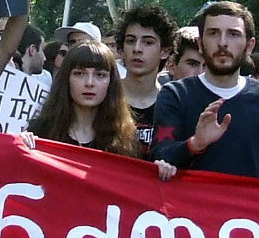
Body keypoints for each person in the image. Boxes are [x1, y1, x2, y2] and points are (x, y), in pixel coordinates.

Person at [150, 1, 259, 190]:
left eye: (233, 34)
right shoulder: (175, 94)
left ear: (249, 46)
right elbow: (158, 158)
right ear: (201, 43)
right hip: (185, 215)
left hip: (243, 216)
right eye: (213, 33)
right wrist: (194, 144)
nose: (222, 42)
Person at [23, 41, 176, 180]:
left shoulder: (125, 139)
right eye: (80, 73)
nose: (89, 83)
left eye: (100, 75)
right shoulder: (40, 131)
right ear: (66, 79)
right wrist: (19, 147)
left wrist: (160, 172)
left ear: (111, 82)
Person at [116, 5, 178, 160]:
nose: (137, 49)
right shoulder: (104, 96)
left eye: (148, 42)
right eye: (130, 41)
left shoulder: (175, 103)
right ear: (121, 49)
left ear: (164, 51)